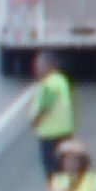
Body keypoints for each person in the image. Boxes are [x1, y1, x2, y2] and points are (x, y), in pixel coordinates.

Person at [28, 53, 74, 182]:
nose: (36, 70)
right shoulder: (61, 81)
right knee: (65, 167)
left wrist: (35, 120)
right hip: (65, 131)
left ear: (49, 66)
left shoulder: (49, 84)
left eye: (39, 66)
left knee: (52, 170)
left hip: (50, 134)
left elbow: (45, 104)